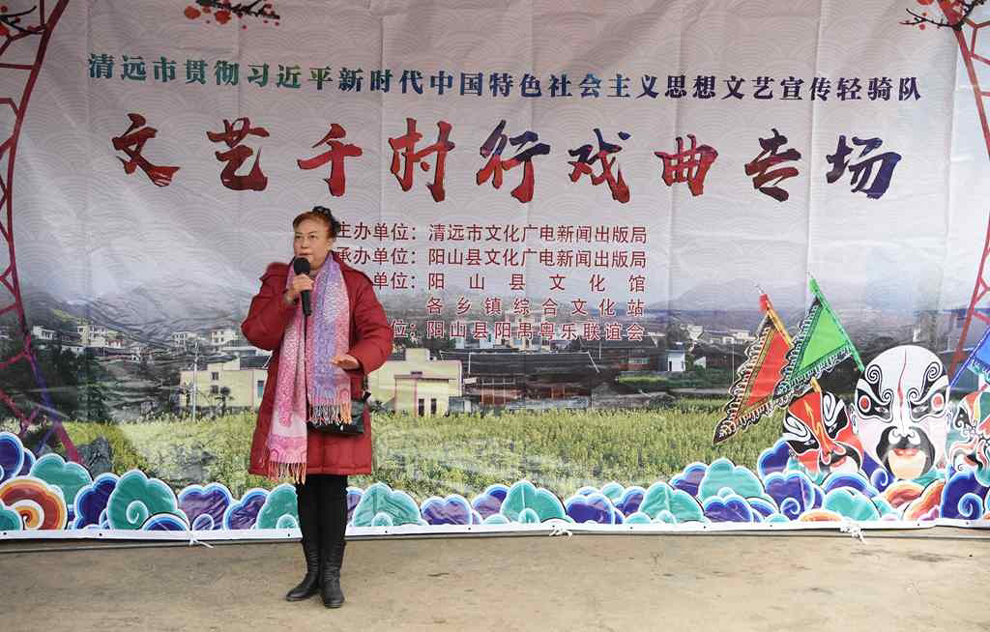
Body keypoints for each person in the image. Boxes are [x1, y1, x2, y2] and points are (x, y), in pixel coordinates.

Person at [241, 205, 392, 608]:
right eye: (298, 237)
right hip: (293, 401)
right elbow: (257, 332)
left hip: (335, 400)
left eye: (313, 237)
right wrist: (289, 297)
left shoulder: (354, 284)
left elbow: (379, 333)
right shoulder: (280, 281)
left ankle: (331, 576)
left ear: (331, 241)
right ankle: (311, 572)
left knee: (333, 488)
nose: (304, 245)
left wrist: (357, 358)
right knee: (305, 489)